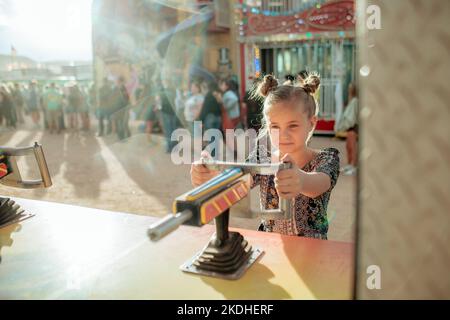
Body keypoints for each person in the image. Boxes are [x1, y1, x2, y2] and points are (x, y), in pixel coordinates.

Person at [191, 73, 340, 240]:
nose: (283, 135)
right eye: (274, 126)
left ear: (311, 123)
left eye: (293, 125)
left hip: (312, 249)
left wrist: (301, 180)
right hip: (271, 245)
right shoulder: (262, 158)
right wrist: (214, 177)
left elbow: (320, 183)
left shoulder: (326, 159)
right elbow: (239, 182)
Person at [335, 83, 358, 175]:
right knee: (348, 146)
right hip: (349, 128)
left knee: (353, 147)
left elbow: (351, 117)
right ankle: (349, 164)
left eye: (350, 89)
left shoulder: (355, 101)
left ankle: (354, 166)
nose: (348, 90)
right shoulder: (352, 100)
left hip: (353, 127)